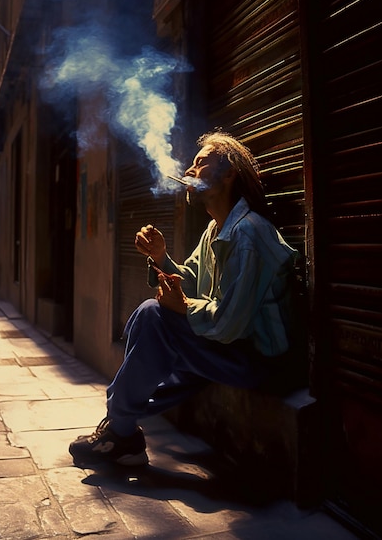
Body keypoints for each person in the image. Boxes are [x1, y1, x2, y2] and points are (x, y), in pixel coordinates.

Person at [69, 130, 298, 466]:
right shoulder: (215, 230)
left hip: (259, 362)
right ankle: (121, 424)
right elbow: (190, 281)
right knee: (159, 338)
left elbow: (228, 323)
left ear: (229, 172)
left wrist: (184, 307)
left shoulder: (248, 233)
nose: (189, 171)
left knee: (151, 315)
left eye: (200, 163)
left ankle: (120, 430)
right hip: (232, 348)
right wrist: (161, 258)